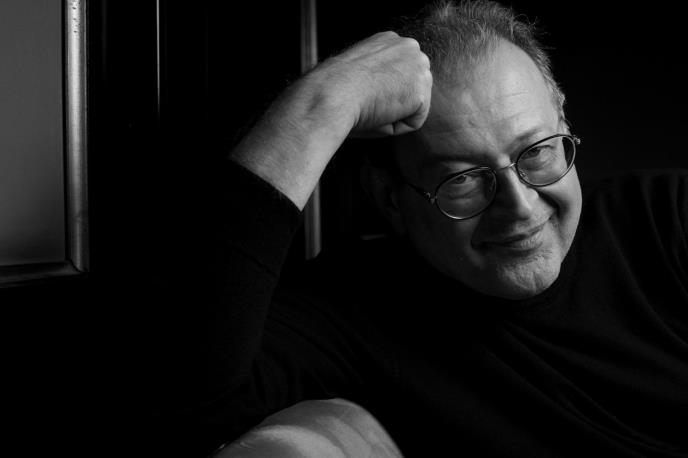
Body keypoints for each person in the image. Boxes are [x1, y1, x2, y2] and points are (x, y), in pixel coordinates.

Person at [146, 0, 688, 456]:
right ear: (390, 200)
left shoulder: (668, 215)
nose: (520, 207)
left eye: (538, 151)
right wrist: (319, 104)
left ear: (564, 123)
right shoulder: (355, 309)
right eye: (464, 180)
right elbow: (182, 406)